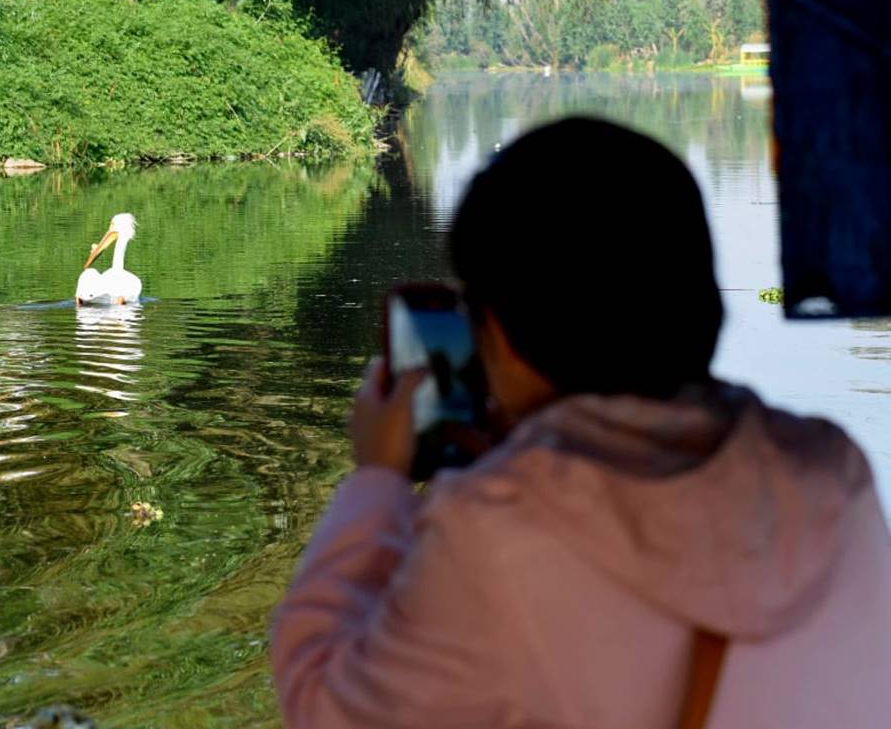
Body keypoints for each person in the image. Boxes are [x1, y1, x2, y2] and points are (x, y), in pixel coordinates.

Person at [269, 118, 891, 728]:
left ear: (502, 338)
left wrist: (378, 481)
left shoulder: (494, 530)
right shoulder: (834, 469)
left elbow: (323, 701)